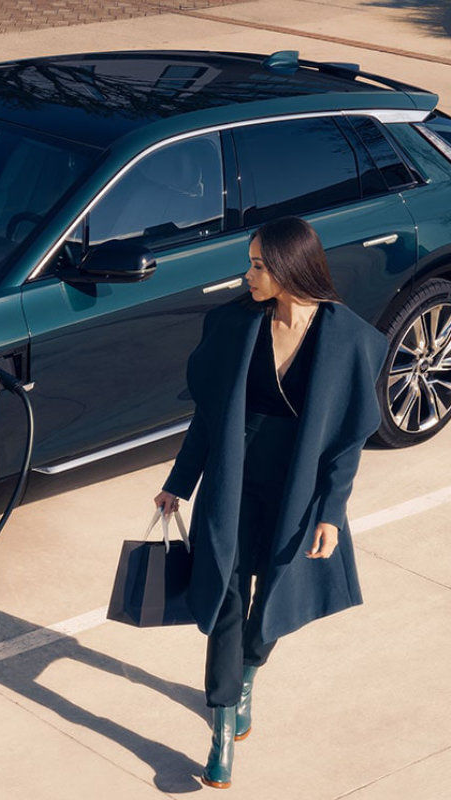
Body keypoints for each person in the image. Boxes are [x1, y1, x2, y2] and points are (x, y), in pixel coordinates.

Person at [152, 216, 387, 789]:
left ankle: (250, 668)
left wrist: (331, 512)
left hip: (297, 489)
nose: (248, 274)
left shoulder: (346, 337)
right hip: (233, 482)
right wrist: (179, 483)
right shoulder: (234, 325)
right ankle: (222, 729)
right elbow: (208, 419)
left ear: (288, 268)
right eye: (251, 263)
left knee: (274, 598)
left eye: (258, 265)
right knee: (227, 600)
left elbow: (345, 440)